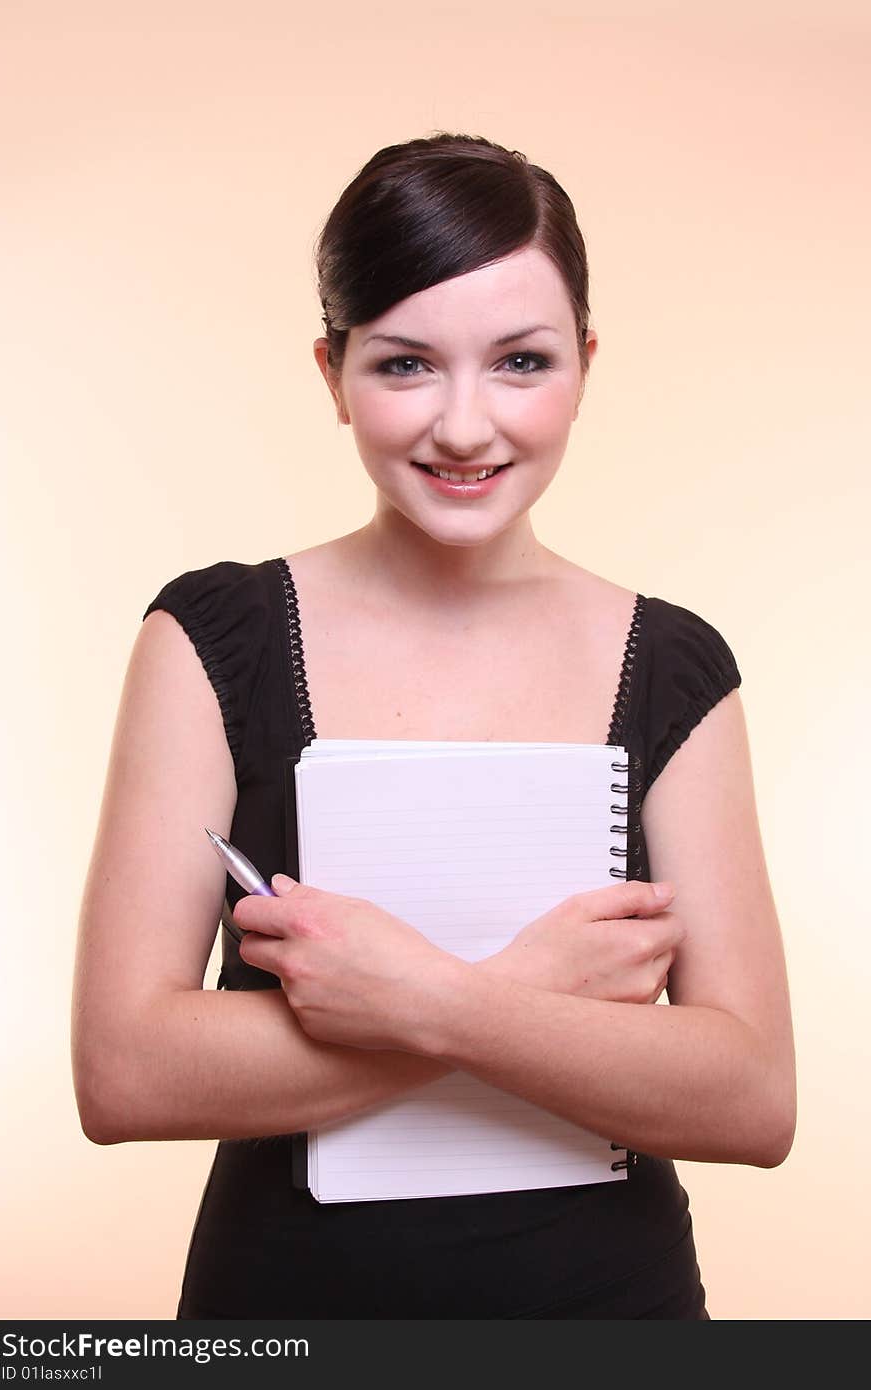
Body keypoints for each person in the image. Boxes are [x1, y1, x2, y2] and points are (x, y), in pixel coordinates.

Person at [71, 131, 796, 1320]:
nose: (464, 427)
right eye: (404, 365)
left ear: (586, 363)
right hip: (286, 1317)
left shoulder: (674, 664)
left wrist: (432, 997)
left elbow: (754, 1098)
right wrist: (531, 989)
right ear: (330, 370)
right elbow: (124, 1072)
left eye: (520, 361)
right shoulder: (213, 637)